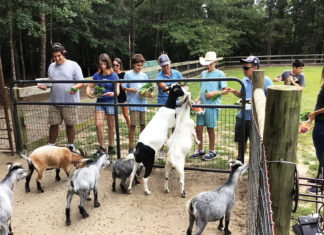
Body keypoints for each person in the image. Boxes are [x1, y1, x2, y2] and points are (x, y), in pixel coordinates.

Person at [37, 42, 84, 153]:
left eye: (59, 56)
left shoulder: (74, 65)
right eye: (54, 57)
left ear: (64, 53)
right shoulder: (51, 67)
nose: (57, 59)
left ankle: (71, 146)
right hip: (54, 101)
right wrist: (45, 86)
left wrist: (75, 88)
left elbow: (81, 82)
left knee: (70, 124)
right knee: (53, 124)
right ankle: (51, 146)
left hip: (70, 102)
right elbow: (50, 82)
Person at [226, 56, 273, 161]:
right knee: (241, 141)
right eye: (243, 68)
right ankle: (240, 161)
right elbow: (242, 95)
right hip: (242, 116)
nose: (244, 70)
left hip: (255, 119)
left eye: (246, 68)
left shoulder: (266, 81)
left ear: (255, 68)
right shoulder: (244, 80)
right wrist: (234, 91)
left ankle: (254, 162)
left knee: (255, 144)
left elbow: (271, 99)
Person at [189, 51, 228, 161]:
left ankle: (212, 151)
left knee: (210, 128)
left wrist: (213, 93)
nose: (208, 65)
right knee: (199, 128)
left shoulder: (220, 74)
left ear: (215, 62)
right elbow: (202, 90)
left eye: (210, 63)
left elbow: (225, 91)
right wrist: (197, 100)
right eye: (206, 63)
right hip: (202, 105)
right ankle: (200, 150)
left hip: (212, 105)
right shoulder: (203, 74)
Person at [86, 53, 119, 155]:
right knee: (98, 124)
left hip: (110, 102)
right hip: (100, 102)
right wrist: (89, 93)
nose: (102, 66)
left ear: (108, 63)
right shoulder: (97, 75)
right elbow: (89, 86)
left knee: (111, 125)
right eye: (101, 64)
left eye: (104, 64)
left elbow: (117, 92)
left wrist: (112, 93)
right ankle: (102, 147)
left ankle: (111, 146)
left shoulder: (114, 75)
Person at [122, 54, 152, 154]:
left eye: (141, 65)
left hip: (143, 102)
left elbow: (148, 88)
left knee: (143, 124)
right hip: (133, 102)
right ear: (133, 64)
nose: (140, 67)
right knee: (133, 125)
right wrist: (131, 89)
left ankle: (141, 145)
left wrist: (148, 94)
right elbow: (123, 87)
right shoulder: (128, 75)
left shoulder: (144, 76)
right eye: (138, 65)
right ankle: (131, 147)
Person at [156, 54, 183, 159]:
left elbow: (183, 84)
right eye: (163, 66)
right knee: (163, 128)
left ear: (170, 63)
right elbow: (164, 88)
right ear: (160, 66)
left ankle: (174, 150)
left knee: (175, 127)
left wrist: (182, 89)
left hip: (177, 104)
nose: (166, 67)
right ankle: (161, 151)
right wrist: (174, 93)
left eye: (167, 65)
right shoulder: (159, 77)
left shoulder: (177, 73)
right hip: (164, 104)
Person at [307, 66, 324, 193]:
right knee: (321, 154)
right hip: (320, 122)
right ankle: (319, 178)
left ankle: (321, 185)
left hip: (322, 124)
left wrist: (314, 113)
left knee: (322, 155)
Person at [113, 58, 131, 129]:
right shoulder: (112, 74)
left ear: (120, 65)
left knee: (126, 115)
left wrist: (122, 81)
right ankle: (114, 132)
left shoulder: (124, 74)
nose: (115, 67)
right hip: (114, 97)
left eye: (117, 65)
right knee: (114, 116)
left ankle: (131, 130)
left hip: (122, 97)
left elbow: (127, 84)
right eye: (114, 65)